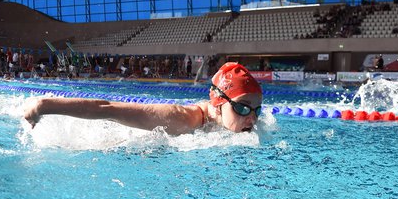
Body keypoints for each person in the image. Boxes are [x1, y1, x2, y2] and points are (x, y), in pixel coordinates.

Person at [23, 62, 262, 136]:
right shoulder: (182, 119)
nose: (252, 118)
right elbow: (109, 109)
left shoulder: (237, 124)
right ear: (218, 105)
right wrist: (44, 105)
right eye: (243, 108)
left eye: (256, 110)